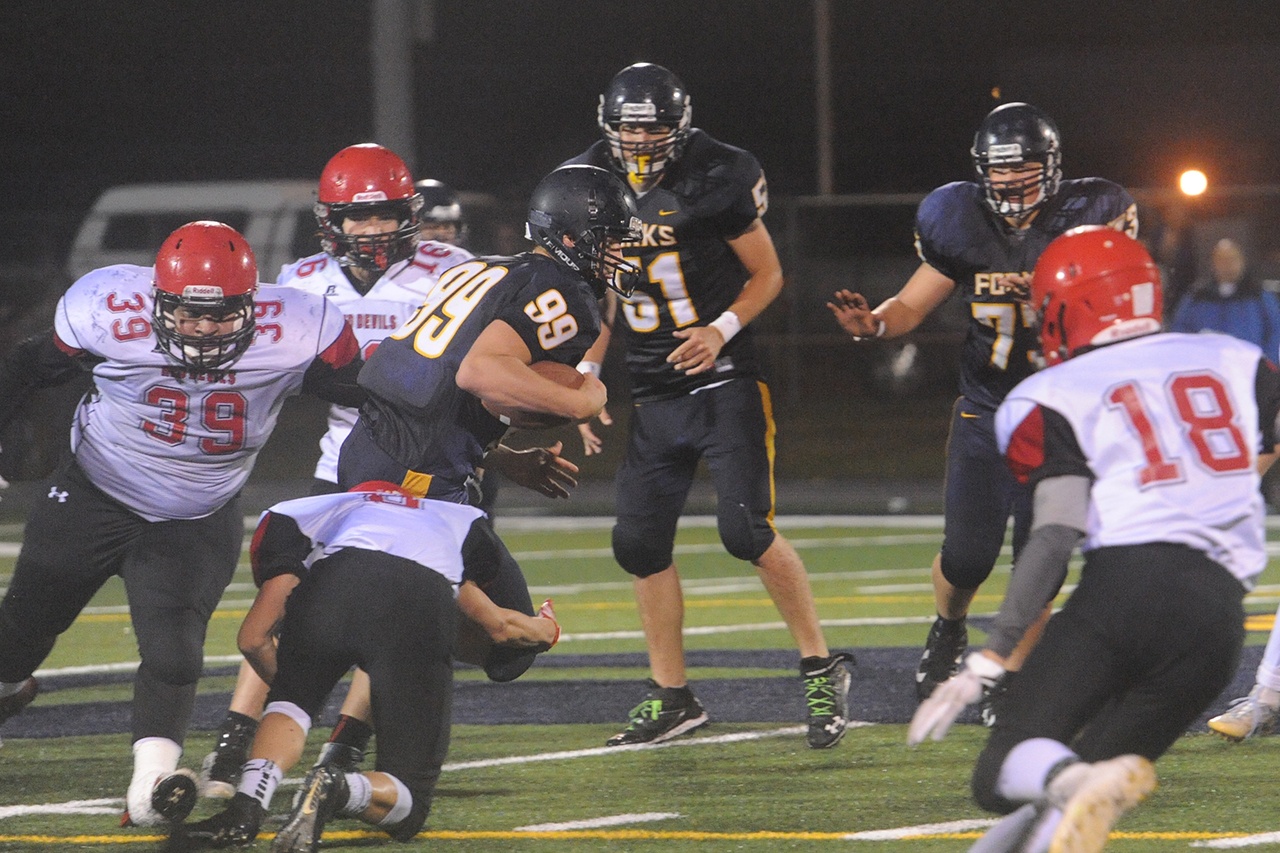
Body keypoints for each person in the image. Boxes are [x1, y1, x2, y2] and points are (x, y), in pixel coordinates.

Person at [907, 226, 1280, 853]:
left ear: (1067, 308)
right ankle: (1074, 778)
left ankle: (1072, 773)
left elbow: (1055, 530)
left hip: (1125, 597)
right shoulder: (1235, 359)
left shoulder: (1053, 393)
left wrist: (992, 654)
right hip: (1216, 629)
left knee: (1004, 776)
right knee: (1065, 802)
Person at [0, 221, 364, 827]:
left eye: (222, 315)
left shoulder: (302, 328)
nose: (203, 329)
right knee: (23, 629)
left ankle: (153, 785)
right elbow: (26, 365)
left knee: (176, 655)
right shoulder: (107, 310)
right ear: (156, 301)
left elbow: (367, 396)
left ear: (252, 304)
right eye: (188, 314)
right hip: (94, 490)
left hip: (196, 512)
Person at [564, 62, 853, 750]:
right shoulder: (586, 184)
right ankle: (673, 694)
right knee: (637, 543)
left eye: (652, 127)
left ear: (679, 127)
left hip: (724, 373)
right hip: (653, 384)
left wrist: (719, 328)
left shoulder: (716, 173)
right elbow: (603, 295)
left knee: (746, 530)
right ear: (606, 126)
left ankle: (821, 664)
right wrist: (584, 373)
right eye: (627, 127)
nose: (638, 140)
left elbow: (768, 272)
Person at [829, 101, 1139, 723]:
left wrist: (1063, 293)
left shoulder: (1091, 217)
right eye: (998, 172)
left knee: (1039, 555)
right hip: (988, 407)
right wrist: (877, 325)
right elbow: (913, 304)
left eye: (1022, 169)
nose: (1009, 183)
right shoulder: (958, 218)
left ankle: (1012, 677)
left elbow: (1121, 320)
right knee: (967, 555)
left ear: (1049, 169)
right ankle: (949, 628)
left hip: (1060, 418)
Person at [197, 144, 477, 800]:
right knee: (290, 602)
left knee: (397, 611)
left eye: (385, 215)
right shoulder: (300, 280)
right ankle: (238, 735)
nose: (374, 229)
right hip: (340, 466)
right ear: (332, 221)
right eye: (360, 216)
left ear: (408, 213)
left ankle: (347, 738)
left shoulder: (454, 271)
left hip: (424, 472)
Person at [169, 482, 560, 851]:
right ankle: (337, 786)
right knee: (410, 802)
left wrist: (299, 687)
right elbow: (499, 628)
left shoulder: (299, 512)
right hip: (415, 601)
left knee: (289, 705)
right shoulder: (459, 518)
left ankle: (246, 808)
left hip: (331, 586)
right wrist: (546, 629)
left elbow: (252, 639)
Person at [1168, 237, 1280, 359]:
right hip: (1208, 365)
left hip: (1250, 367)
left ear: (1242, 261)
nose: (1228, 265)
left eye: (1232, 259)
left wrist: (1267, 363)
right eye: (1222, 260)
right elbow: (1179, 330)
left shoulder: (1259, 296)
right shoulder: (1197, 296)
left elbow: (1276, 330)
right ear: (1213, 263)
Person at [414, 178, 468, 248]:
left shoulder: (464, 257)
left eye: (447, 227)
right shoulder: (400, 258)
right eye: (432, 227)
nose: (441, 233)